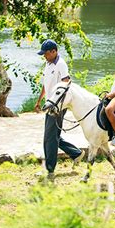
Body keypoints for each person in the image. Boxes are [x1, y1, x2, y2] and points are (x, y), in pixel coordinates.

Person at [34, 39, 85, 181]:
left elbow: (67, 82)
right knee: (52, 135)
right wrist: (39, 101)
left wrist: (58, 104)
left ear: (54, 51)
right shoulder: (48, 63)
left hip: (57, 106)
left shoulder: (61, 64)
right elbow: (46, 84)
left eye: (46, 53)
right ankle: (76, 153)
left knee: (49, 137)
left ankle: (49, 170)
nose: (44, 56)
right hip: (49, 104)